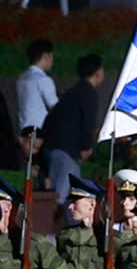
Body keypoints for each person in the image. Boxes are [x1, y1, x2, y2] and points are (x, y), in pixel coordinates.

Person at [42, 52, 104, 200]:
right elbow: (88, 123)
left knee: (69, 193)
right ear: (97, 72)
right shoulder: (88, 93)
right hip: (67, 150)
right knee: (65, 196)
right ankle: (58, 221)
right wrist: (86, 147)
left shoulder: (72, 92)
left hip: (54, 147)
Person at [16, 41, 58, 173]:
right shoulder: (43, 79)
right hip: (40, 133)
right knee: (43, 172)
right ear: (45, 56)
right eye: (51, 57)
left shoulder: (21, 78)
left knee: (29, 170)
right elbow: (55, 108)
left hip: (24, 131)